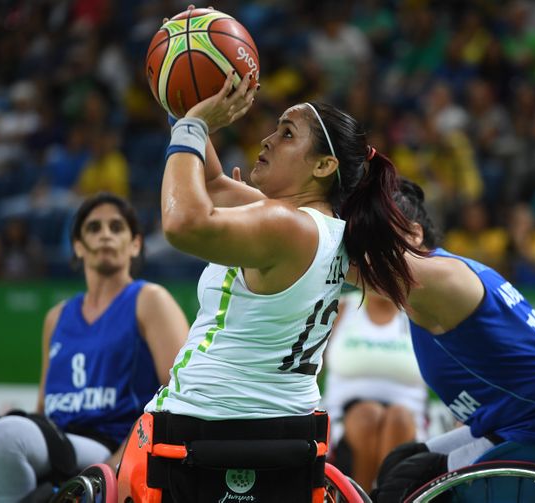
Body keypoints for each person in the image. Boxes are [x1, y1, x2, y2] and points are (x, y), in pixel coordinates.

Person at [120, 63, 422, 501]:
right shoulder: (329, 229)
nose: (266, 140)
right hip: (289, 438)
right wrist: (184, 94)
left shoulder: (285, 224)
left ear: (323, 165)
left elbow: (182, 222)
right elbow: (212, 183)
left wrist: (191, 126)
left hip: (201, 430)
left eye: (286, 134)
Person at [371, 178, 535, 502]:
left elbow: (348, 266)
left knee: (404, 484)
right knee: (400, 462)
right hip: (521, 422)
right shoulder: (432, 282)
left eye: (373, 238)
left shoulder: (439, 280)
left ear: (415, 234)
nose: (365, 253)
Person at [0, 193, 188, 503]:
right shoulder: (57, 316)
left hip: (111, 441)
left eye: (116, 227)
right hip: (57, 435)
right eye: (93, 228)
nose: (105, 234)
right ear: (78, 246)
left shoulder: (149, 299)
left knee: (5, 437)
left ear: (134, 244)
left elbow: (179, 391)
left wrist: (123, 457)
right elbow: (44, 404)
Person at [322, 289, 427, 492]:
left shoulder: (419, 315)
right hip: (342, 416)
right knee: (368, 415)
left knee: (399, 417)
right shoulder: (342, 308)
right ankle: (359, 494)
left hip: (408, 417)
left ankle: (384, 494)